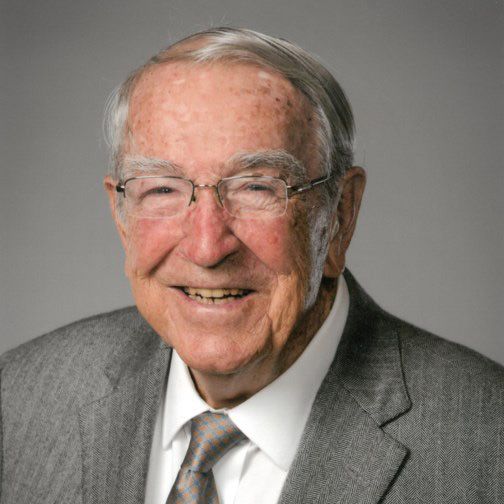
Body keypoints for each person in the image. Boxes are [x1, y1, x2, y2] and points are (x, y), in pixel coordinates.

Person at [0, 27, 502, 504]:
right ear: (121, 216)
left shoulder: (487, 444)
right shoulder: (19, 398)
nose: (207, 248)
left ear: (340, 215)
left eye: (256, 187)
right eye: (162, 189)